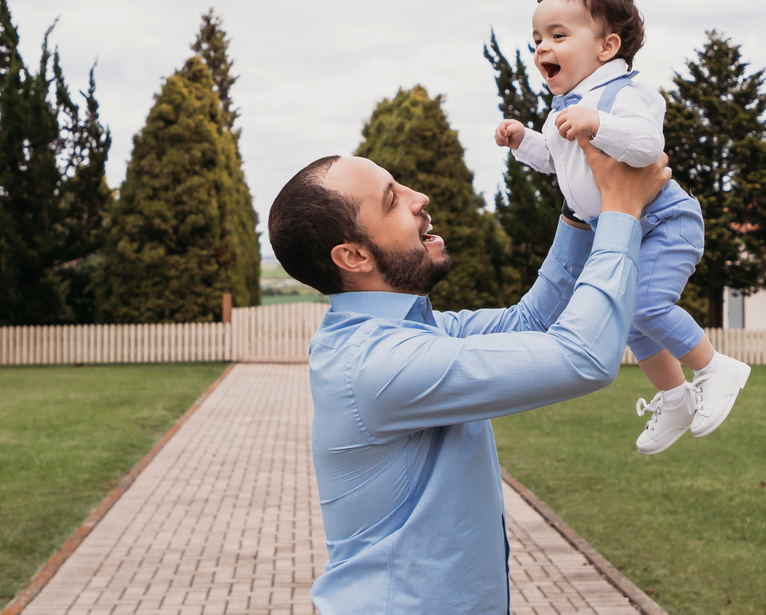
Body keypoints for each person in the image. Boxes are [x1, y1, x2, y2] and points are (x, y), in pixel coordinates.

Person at [268, 140, 667, 615]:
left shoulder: (411, 333)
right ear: (354, 256)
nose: (420, 198)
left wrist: (579, 207)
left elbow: (532, 323)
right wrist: (622, 210)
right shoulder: (379, 364)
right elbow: (583, 357)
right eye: (392, 199)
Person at [494, 0, 751, 455]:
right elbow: (557, 161)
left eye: (557, 35)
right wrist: (523, 141)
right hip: (622, 228)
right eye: (536, 40)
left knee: (646, 306)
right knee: (631, 320)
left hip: (665, 222)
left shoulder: (625, 95)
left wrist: (600, 123)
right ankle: (674, 398)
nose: (541, 48)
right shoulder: (560, 112)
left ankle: (716, 368)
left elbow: (648, 145)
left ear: (607, 47)